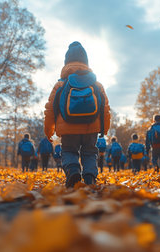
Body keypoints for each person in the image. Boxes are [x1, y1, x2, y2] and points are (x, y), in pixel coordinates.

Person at [44, 41, 111, 187]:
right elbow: (105, 108)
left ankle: (73, 170)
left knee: (68, 150)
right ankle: (90, 177)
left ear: (66, 62)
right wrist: (103, 129)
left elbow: (50, 109)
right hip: (91, 126)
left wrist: (49, 130)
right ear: (86, 62)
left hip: (68, 128)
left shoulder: (61, 84)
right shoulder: (96, 84)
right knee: (90, 152)